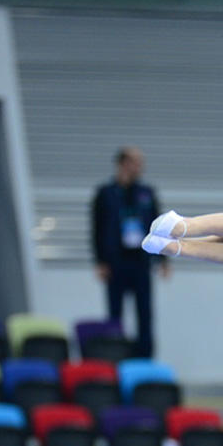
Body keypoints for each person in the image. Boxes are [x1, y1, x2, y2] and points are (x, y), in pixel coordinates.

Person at [90, 146, 169, 358]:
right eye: (136, 162)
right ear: (123, 163)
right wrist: (100, 262)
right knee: (115, 313)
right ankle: (115, 356)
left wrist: (163, 261)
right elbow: (97, 229)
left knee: (145, 312)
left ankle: (145, 358)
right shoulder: (105, 194)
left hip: (140, 261)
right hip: (115, 261)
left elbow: (158, 226)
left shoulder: (147, 193)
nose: (140, 167)